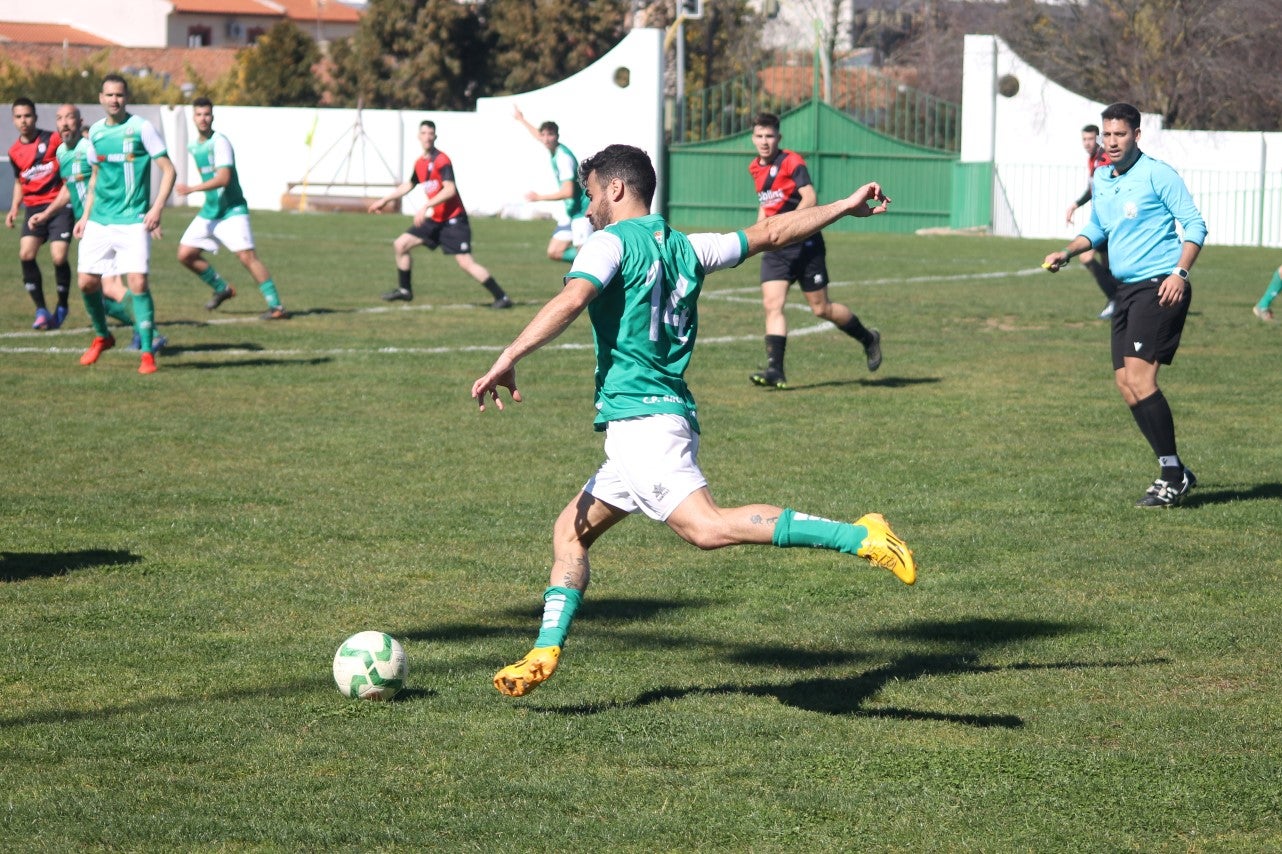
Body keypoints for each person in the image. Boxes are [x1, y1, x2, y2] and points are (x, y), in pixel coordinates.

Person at [471, 144, 915, 698]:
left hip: (644, 425)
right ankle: (544, 650)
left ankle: (859, 535)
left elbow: (573, 298)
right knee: (570, 532)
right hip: (657, 420)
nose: (585, 209)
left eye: (589, 195)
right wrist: (844, 207)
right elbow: (772, 234)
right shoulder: (687, 246)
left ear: (615, 189)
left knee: (706, 528)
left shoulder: (607, 243)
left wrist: (509, 355)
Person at [1042, 102, 1206, 508]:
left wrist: (1179, 274)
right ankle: (1175, 470)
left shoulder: (1158, 174)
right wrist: (1068, 250)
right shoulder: (1102, 177)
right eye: (1107, 134)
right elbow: (1098, 227)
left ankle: (1171, 474)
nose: (1112, 142)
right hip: (1125, 292)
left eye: (1120, 134)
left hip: (1159, 286)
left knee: (1142, 381)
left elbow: (1196, 225)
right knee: (1125, 385)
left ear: (1136, 135)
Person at [746, 112, 881, 389]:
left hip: (805, 245)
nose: (764, 141)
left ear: (778, 137)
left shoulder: (791, 161)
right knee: (773, 305)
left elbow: (810, 196)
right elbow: (765, 205)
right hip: (776, 248)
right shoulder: (755, 168)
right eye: (759, 135)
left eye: (769, 136)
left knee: (821, 308)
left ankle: (868, 338)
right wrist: (758, 233)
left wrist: (791, 225)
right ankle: (776, 370)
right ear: (753, 138)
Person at [28, 104, 166, 354]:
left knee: (111, 287)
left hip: (106, 222)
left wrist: (146, 212)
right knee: (97, 290)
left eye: (70, 118)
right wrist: (47, 214)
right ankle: (140, 331)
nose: (65, 123)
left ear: (80, 121)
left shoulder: (88, 147)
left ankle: (149, 334)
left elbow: (113, 179)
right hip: (91, 227)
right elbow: (69, 188)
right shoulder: (61, 152)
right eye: (60, 119)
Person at [75, 74, 177, 375]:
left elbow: (169, 170)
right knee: (86, 282)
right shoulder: (94, 133)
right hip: (99, 221)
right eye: (108, 95)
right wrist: (84, 216)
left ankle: (147, 353)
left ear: (126, 97)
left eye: (119, 95)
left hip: (132, 221)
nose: (114, 100)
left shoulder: (142, 129)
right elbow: (95, 177)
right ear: (100, 98)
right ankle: (103, 336)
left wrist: (156, 208)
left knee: (138, 284)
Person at [367, 120, 512, 308]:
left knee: (466, 263)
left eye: (431, 133)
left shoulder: (442, 160)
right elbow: (410, 184)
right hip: (436, 219)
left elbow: (450, 189)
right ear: (419, 136)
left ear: (435, 137)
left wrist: (426, 205)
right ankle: (405, 290)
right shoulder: (420, 162)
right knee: (401, 244)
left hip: (454, 220)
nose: (427, 136)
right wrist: (385, 200)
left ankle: (502, 297)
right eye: (424, 133)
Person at [175, 98, 287, 320]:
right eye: (199, 114)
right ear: (193, 117)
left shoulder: (220, 143)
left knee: (247, 257)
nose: (203, 118)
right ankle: (222, 288)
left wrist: (193, 189)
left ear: (213, 117)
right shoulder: (193, 145)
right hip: (211, 210)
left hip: (232, 210)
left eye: (207, 114)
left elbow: (224, 178)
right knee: (185, 254)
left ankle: (277, 307)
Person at [6, 98, 73, 331]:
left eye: (27, 116)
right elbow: (19, 182)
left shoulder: (52, 139)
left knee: (58, 256)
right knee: (26, 254)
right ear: (13, 120)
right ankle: (42, 310)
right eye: (19, 117)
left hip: (59, 205)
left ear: (35, 117)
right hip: (33, 208)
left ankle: (63, 305)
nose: (23, 121)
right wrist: (15, 207)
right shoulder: (14, 151)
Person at [513, 105, 592, 262]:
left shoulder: (563, 158)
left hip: (582, 212)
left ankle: (594, 261)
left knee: (584, 258)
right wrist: (521, 119)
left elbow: (568, 192)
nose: (546, 138)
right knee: (554, 252)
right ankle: (588, 259)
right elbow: (538, 135)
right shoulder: (553, 148)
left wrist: (539, 197)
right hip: (571, 213)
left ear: (557, 136)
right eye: (544, 135)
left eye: (550, 135)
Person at [1064, 123, 1121, 318]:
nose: (1087, 143)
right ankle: (1119, 301)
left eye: (1091, 139)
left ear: (1097, 139)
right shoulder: (1093, 159)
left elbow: (1107, 186)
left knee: (1086, 257)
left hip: (1109, 220)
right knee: (1107, 266)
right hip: (1103, 219)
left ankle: (1116, 299)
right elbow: (1093, 189)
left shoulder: (1104, 159)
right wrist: (1075, 204)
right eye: (1084, 139)